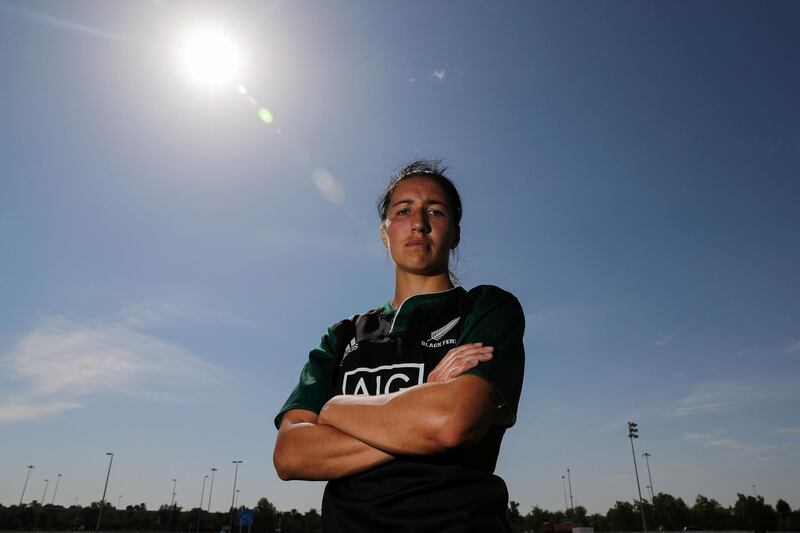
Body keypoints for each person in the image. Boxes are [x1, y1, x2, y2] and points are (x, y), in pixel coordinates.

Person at [273, 160, 525, 532]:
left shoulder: (486, 308)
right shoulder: (341, 336)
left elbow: (449, 423)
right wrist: (423, 403)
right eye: (403, 210)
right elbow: (290, 455)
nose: (419, 223)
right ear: (384, 232)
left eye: (435, 211)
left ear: (455, 233)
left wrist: (334, 408)